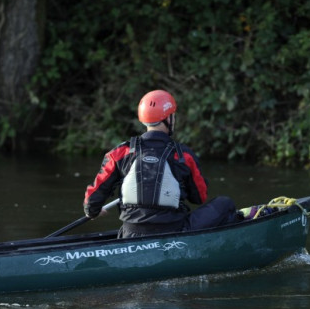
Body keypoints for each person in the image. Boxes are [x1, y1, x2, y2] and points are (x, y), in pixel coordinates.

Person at [84, 89, 238, 238]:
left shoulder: (120, 152)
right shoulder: (183, 155)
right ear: (169, 119)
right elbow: (199, 197)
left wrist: (92, 211)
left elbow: (93, 198)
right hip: (175, 232)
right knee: (225, 203)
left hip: (130, 234)